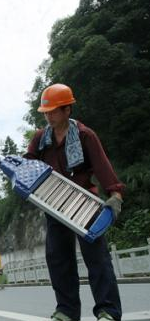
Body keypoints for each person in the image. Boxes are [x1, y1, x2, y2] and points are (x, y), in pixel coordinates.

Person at [24, 84, 124, 321]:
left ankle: (107, 311)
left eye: (53, 111)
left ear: (67, 110)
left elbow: (102, 165)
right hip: (55, 203)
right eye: (45, 112)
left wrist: (115, 194)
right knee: (58, 259)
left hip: (84, 203)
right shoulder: (40, 138)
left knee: (97, 259)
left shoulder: (84, 135)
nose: (48, 116)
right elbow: (28, 163)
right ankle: (66, 311)